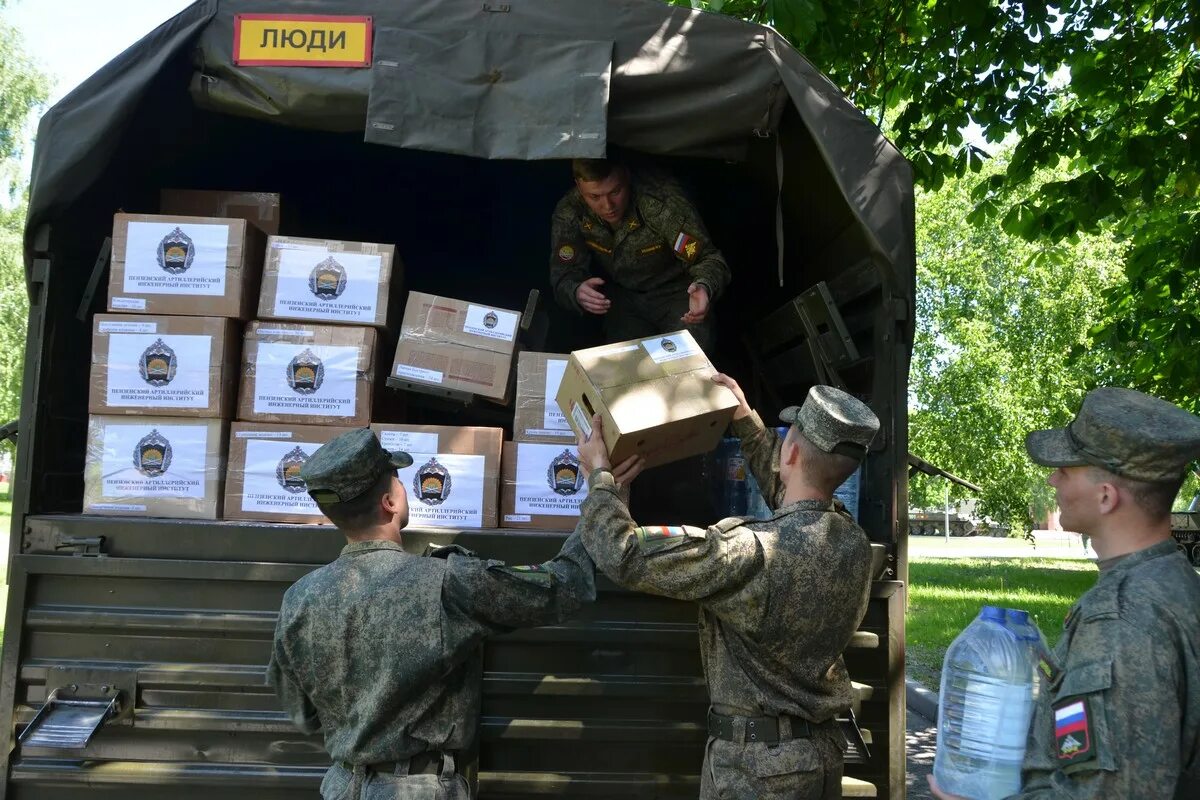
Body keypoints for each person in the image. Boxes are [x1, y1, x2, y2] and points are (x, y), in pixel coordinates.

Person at [266, 428, 637, 800]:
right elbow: (562, 586)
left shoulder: (298, 599)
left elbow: (303, 714)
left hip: (340, 788)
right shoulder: (445, 582)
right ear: (390, 502)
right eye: (396, 480)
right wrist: (602, 492)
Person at [574, 374, 881, 799]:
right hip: (820, 758)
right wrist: (745, 419)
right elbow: (798, 501)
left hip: (757, 773)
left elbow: (624, 554)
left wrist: (600, 479)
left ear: (789, 451)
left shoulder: (748, 553)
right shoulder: (852, 542)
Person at [929, 387, 1200, 799]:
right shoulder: (1173, 580)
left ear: (1106, 497)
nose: (1052, 478)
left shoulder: (1122, 619)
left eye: (1067, 469)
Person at [549, 159, 730, 350]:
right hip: (625, 300)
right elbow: (563, 273)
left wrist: (704, 286)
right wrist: (576, 290)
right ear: (578, 186)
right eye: (595, 197)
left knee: (685, 362)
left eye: (615, 192)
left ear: (626, 176)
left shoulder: (660, 204)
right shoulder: (571, 211)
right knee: (623, 372)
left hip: (679, 295)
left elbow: (708, 259)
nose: (608, 205)